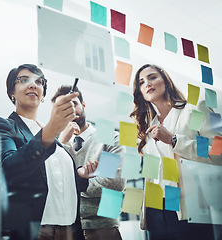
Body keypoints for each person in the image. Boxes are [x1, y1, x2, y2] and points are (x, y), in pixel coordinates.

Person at [0, 64, 97, 240]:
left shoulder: (51, 133)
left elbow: (54, 179)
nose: (33, 85)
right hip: (34, 231)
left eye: (39, 81)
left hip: (69, 230)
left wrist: (79, 175)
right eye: (24, 80)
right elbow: (7, 171)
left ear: (43, 94)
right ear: (11, 92)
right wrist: (52, 130)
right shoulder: (3, 125)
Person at [130, 64, 222, 240]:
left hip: (189, 207)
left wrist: (174, 140)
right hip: (155, 210)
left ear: (166, 81)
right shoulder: (148, 127)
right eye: (141, 82)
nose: (147, 83)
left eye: (152, 77)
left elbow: (219, 152)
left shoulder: (195, 109)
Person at [53, 85, 126, 240]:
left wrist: (73, 186)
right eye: (63, 108)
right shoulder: (57, 145)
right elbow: (53, 185)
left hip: (103, 227)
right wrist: (62, 143)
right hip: (66, 229)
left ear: (83, 104)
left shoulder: (111, 138)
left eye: (74, 104)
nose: (71, 110)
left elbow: (114, 183)